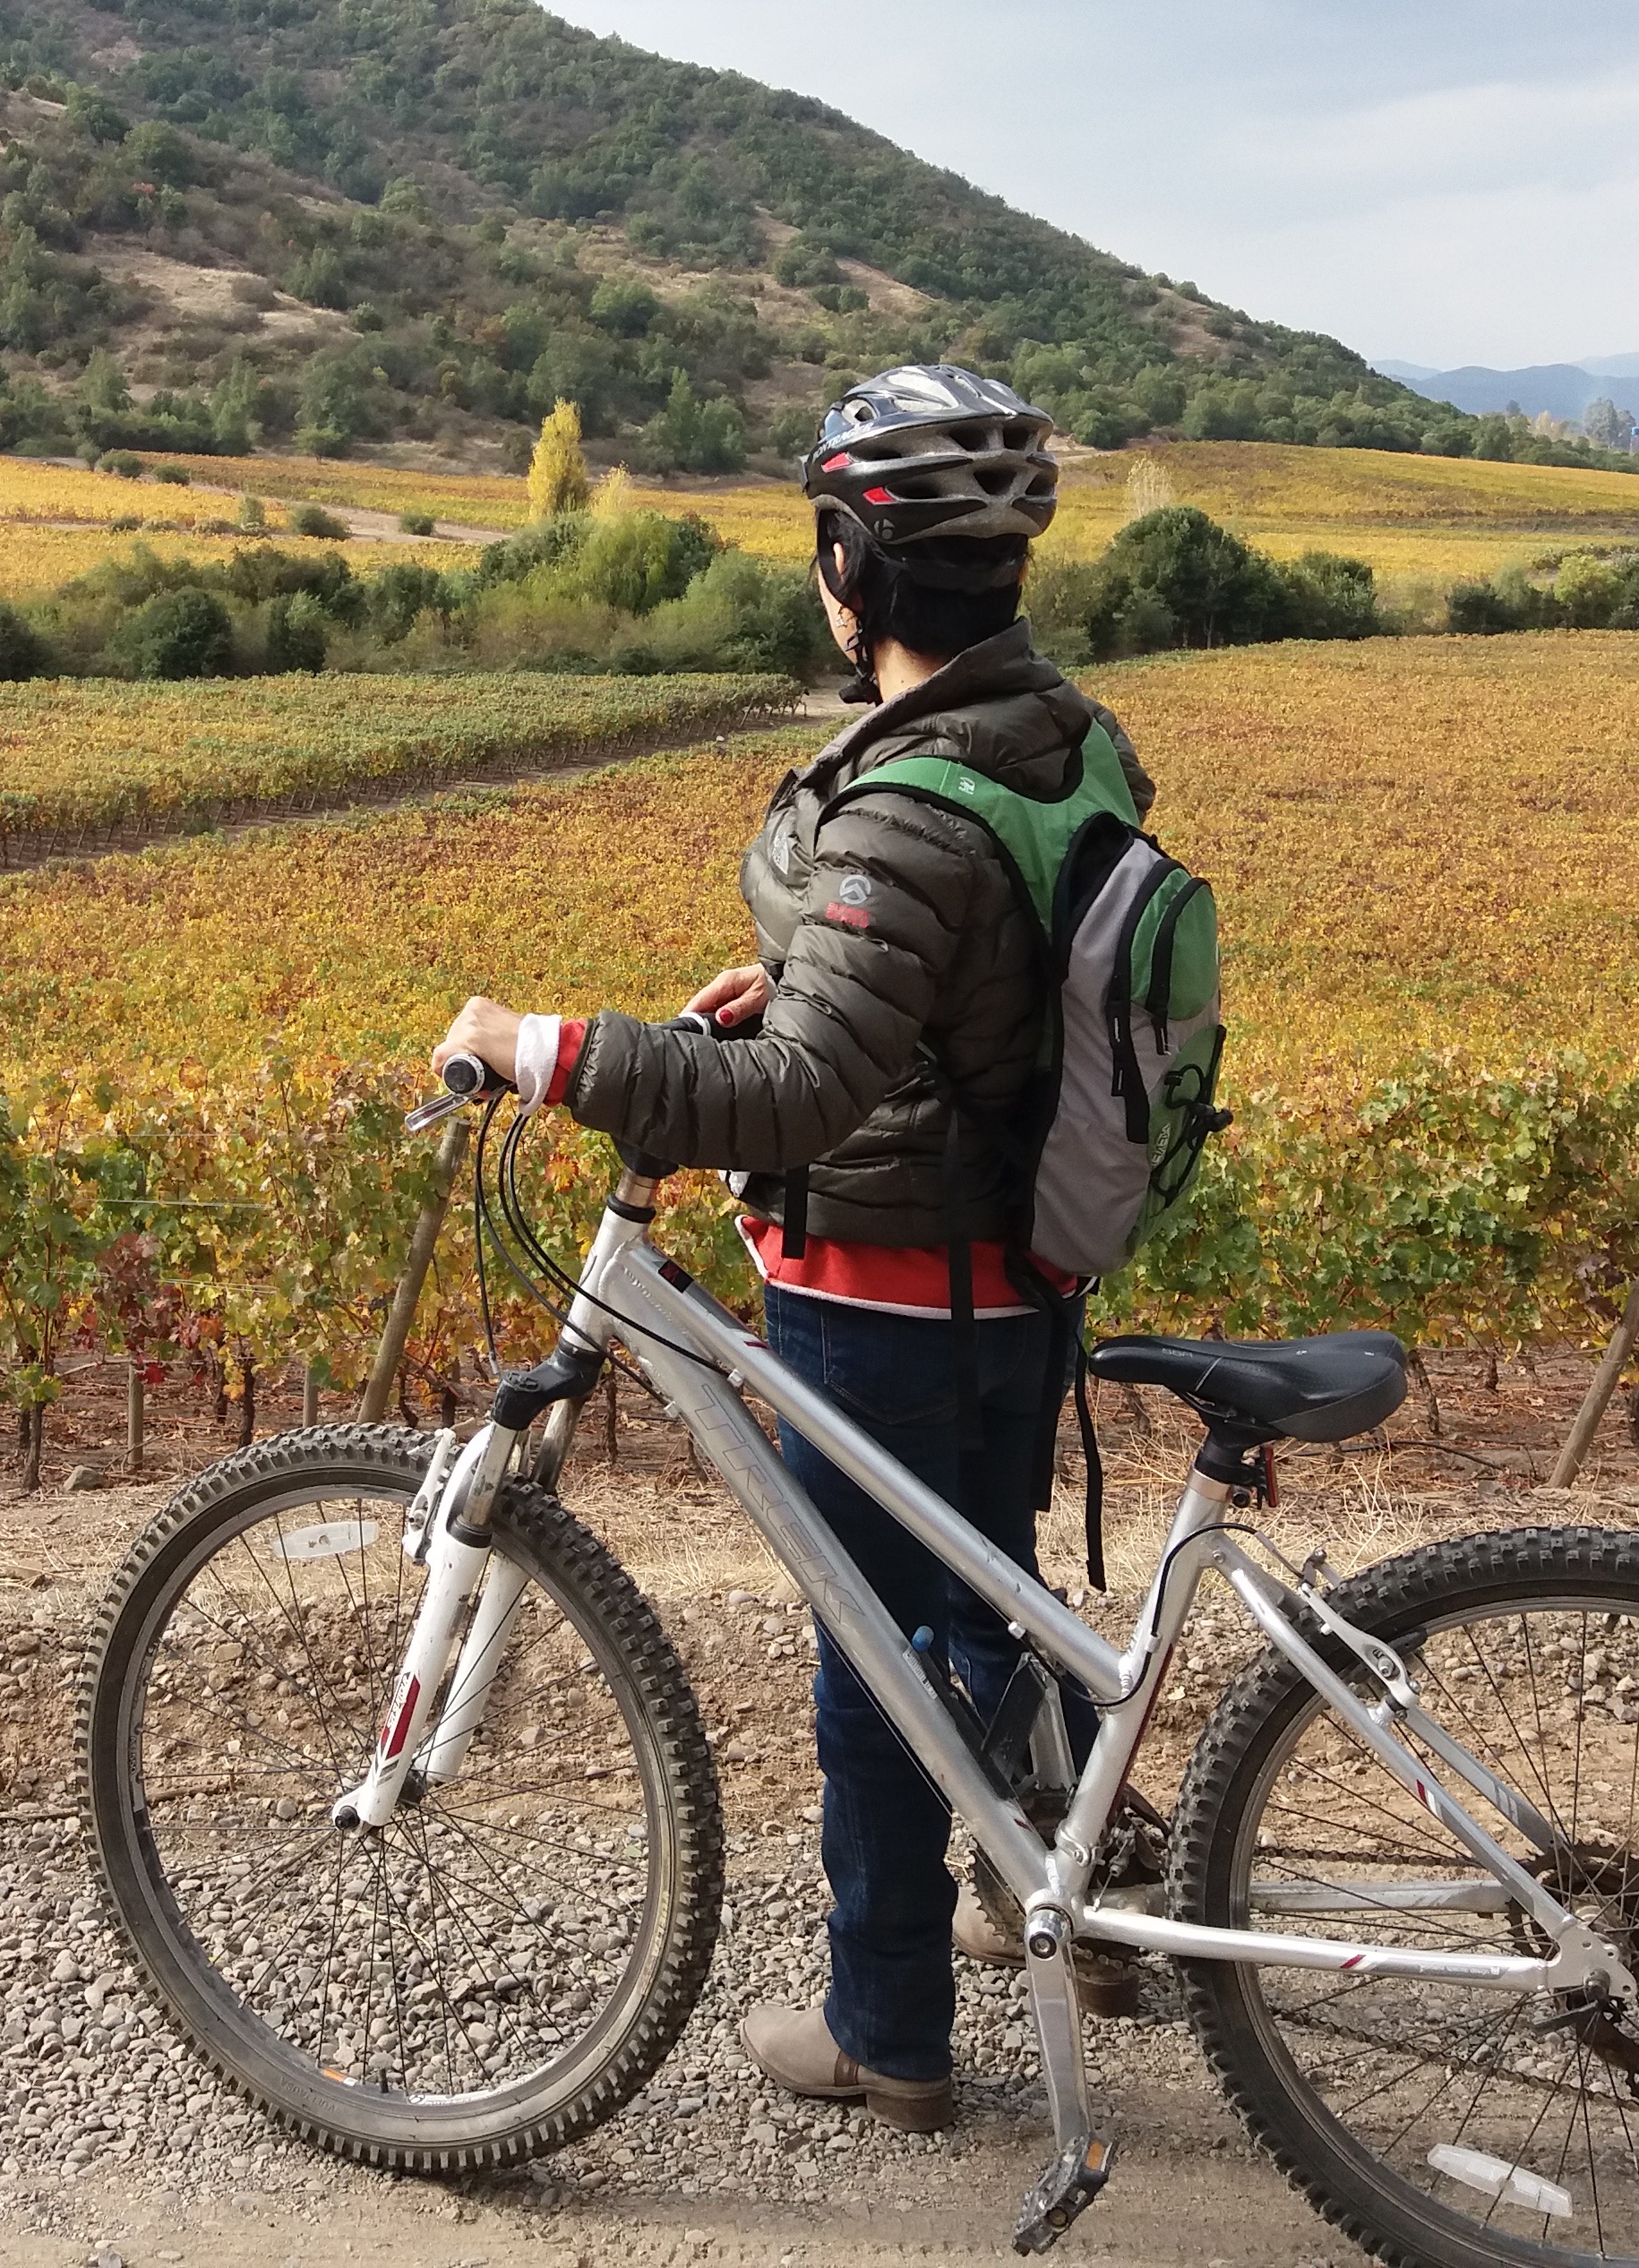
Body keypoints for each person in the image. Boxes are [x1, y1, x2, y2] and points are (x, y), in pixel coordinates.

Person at [433, 362, 1147, 2133]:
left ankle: (887, 2034)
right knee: (994, 1592)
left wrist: (553, 1049)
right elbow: (983, 990)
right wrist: (826, 992)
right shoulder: (1059, 736)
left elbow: (814, 1092)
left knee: (878, 1663)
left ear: (854, 560)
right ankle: (1070, 1875)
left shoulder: (906, 798)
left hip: (891, 1288)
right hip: (1028, 1264)